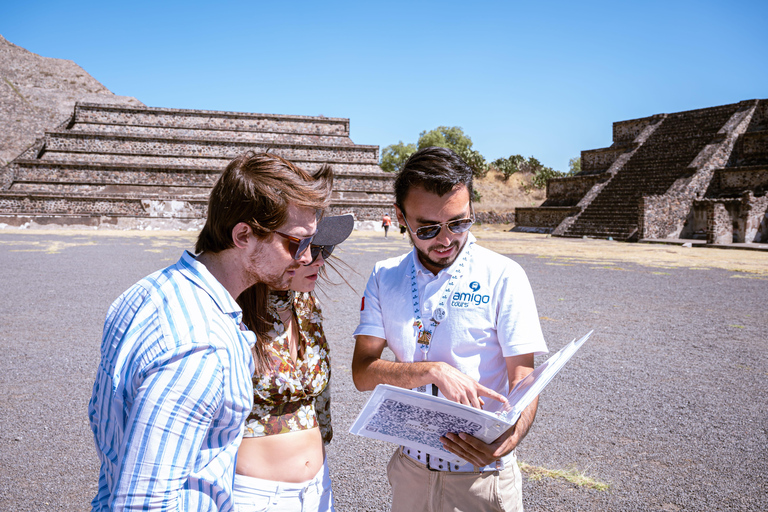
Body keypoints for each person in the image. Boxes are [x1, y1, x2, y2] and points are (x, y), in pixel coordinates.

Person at [88, 152, 333, 511]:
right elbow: (144, 503)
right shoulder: (204, 345)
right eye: (297, 243)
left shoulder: (148, 292)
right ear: (243, 235)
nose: (308, 257)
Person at [351, 146, 548, 512]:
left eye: (459, 223)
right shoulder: (384, 276)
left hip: (482, 477)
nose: (445, 240)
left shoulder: (503, 275)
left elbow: (523, 376)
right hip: (411, 472)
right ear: (400, 217)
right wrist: (432, 371)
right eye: (427, 228)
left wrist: (510, 438)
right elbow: (362, 373)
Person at [233, 214, 354, 512]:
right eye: (309, 246)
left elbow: (319, 400)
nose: (318, 260)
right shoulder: (231, 313)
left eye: (325, 249)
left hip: (317, 492)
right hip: (252, 496)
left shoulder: (306, 305)